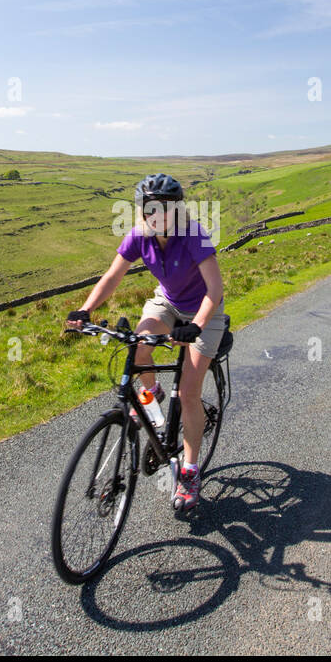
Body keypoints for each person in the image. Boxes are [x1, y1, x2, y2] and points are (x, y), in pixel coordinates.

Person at [65, 173, 228, 512]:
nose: (157, 216)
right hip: (167, 302)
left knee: (187, 393)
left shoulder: (192, 234)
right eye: (150, 209)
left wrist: (196, 326)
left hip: (203, 313)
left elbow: (215, 290)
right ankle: (152, 408)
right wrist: (85, 309)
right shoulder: (139, 236)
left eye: (165, 208)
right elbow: (113, 276)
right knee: (139, 348)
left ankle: (190, 471)